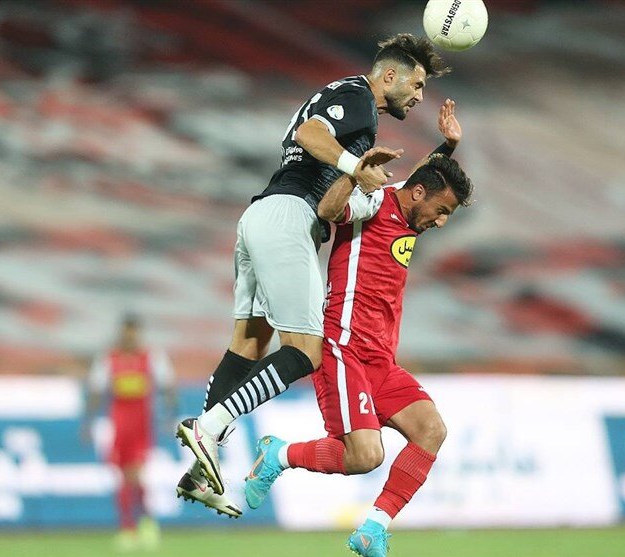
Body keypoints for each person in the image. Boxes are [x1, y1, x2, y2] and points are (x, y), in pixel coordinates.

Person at [175, 33, 450, 501]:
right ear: (389, 76)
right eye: (418, 84)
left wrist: (444, 149)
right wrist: (355, 166)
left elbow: (405, 195)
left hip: (261, 214)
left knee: (249, 343)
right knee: (306, 351)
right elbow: (310, 134)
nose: (420, 96)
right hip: (290, 217)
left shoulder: (348, 99)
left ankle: (202, 466)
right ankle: (209, 426)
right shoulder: (359, 98)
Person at [241, 101, 472, 557]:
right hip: (343, 347)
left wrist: (449, 146)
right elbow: (329, 209)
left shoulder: (412, 207)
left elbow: (425, 177)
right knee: (365, 456)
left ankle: (373, 530)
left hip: (381, 359)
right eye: (442, 210)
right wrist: (354, 172)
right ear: (419, 195)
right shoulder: (374, 201)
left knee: (431, 430)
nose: (441, 222)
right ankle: (278, 454)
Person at [83, 314, 178, 551]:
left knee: (134, 474)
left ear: (138, 333)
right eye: (126, 331)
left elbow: (168, 385)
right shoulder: (109, 358)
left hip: (142, 425)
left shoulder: (151, 357)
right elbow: (96, 390)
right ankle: (136, 526)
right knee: (122, 476)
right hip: (118, 425)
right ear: (121, 332)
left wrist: (170, 415)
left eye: (133, 331)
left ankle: (137, 525)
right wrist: (89, 422)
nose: (130, 336)